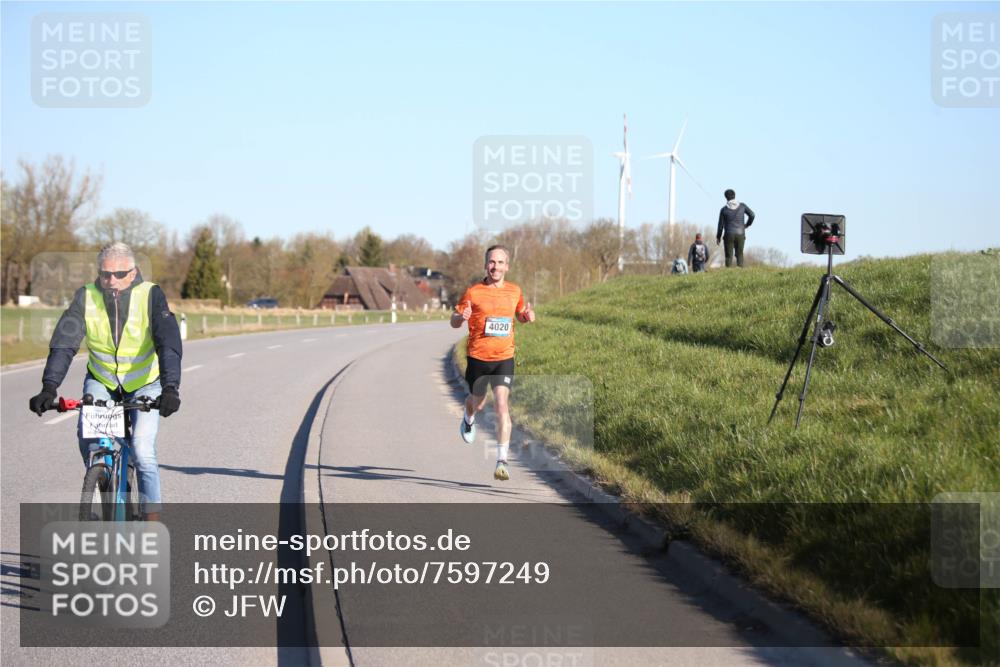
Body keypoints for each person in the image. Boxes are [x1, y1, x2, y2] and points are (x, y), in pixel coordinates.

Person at [28, 243, 182, 520]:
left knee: (143, 451)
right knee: (90, 441)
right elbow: (64, 343)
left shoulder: (150, 295)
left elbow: (168, 342)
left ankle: (152, 522)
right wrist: (49, 386)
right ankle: (102, 476)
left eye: (119, 274)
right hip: (103, 380)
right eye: (105, 274)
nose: (111, 280)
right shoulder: (86, 296)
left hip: (144, 382)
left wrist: (171, 387)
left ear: (133, 272)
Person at [451, 245, 535, 481]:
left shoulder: (514, 291)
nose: (495, 267)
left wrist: (526, 316)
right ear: (485, 265)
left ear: (507, 266)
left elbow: (520, 314)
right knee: (477, 403)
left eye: (499, 262)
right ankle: (468, 418)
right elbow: (454, 321)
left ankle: (502, 461)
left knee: (501, 404)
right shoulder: (473, 292)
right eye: (491, 262)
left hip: (504, 357)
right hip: (478, 357)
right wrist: (460, 317)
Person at [716, 189, 755, 268]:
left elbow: (720, 226)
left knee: (728, 256)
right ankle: (740, 270)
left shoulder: (723, 210)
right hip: (740, 233)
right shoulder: (742, 206)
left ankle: (728, 272)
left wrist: (718, 237)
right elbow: (752, 215)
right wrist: (747, 225)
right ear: (735, 196)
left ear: (726, 197)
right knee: (740, 254)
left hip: (728, 234)